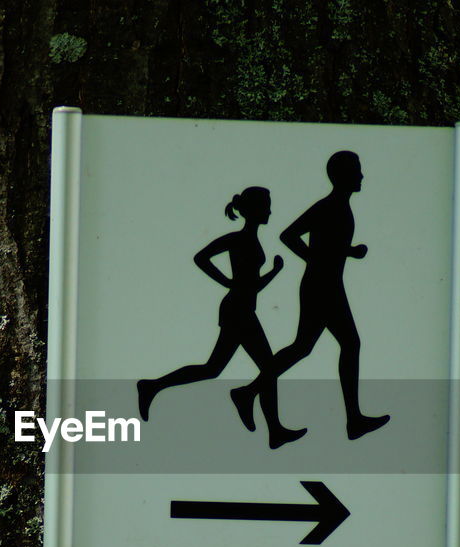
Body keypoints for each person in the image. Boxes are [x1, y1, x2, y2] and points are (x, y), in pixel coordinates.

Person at [232, 151, 390, 441]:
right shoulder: (330, 206)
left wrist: (348, 252)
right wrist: (315, 260)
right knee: (348, 344)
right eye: (357, 170)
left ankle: (249, 392)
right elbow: (289, 235)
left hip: (326, 284)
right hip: (322, 286)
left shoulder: (339, 207)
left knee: (303, 347)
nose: (362, 176)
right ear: (342, 176)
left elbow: (327, 245)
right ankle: (353, 420)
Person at [138, 187, 306, 449]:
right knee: (268, 368)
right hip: (238, 310)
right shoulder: (239, 239)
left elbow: (251, 286)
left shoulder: (251, 240)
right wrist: (226, 281)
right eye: (267, 206)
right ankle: (270, 425)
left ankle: (153, 386)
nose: (270, 211)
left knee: (214, 368)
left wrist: (273, 273)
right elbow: (201, 257)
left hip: (241, 308)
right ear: (255, 210)